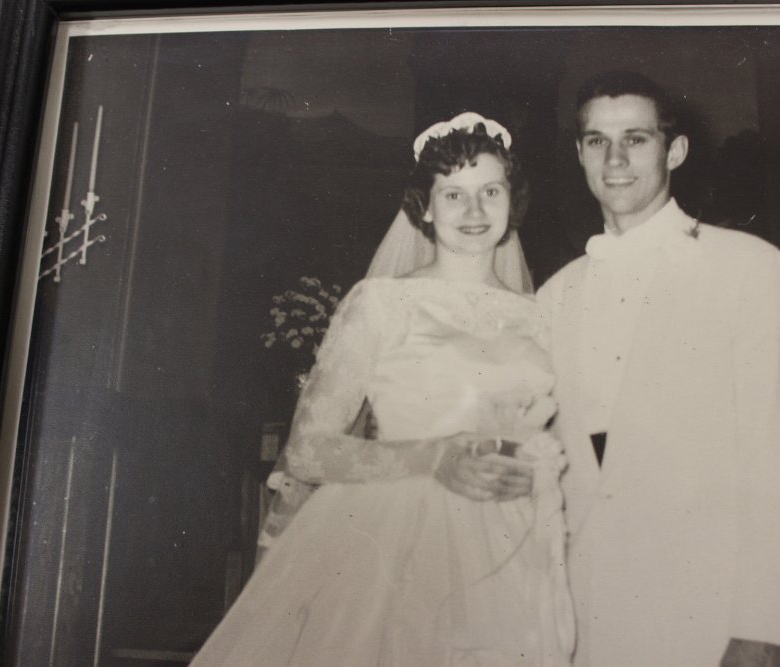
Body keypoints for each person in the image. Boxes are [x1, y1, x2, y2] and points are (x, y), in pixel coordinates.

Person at [190, 112, 574, 666]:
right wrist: (433, 457)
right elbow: (308, 450)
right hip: (392, 533)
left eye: (490, 191)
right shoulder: (380, 303)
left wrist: (535, 471)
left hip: (512, 537)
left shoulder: (540, 315)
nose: (474, 212)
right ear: (425, 207)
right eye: (453, 195)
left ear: (512, 201)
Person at [537, 71, 780, 667]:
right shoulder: (554, 295)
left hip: (708, 610)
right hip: (585, 611)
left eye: (636, 139)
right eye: (597, 141)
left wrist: (765, 624)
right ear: (579, 154)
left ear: (676, 151)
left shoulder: (749, 268)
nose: (615, 159)